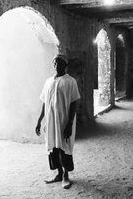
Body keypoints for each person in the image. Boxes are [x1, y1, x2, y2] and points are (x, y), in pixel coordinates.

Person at [35, 54, 81, 189]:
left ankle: (66, 175)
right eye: (55, 63)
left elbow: (73, 103)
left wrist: (70, 123)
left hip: (64, 120)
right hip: (51, 121)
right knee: (53, 147)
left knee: (64, 146)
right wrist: (39, 120)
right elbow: (45, 102)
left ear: (65, 65)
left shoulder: (70, 81)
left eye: (60, 63)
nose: (56, 66)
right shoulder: (48, 81)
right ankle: (59, 174)